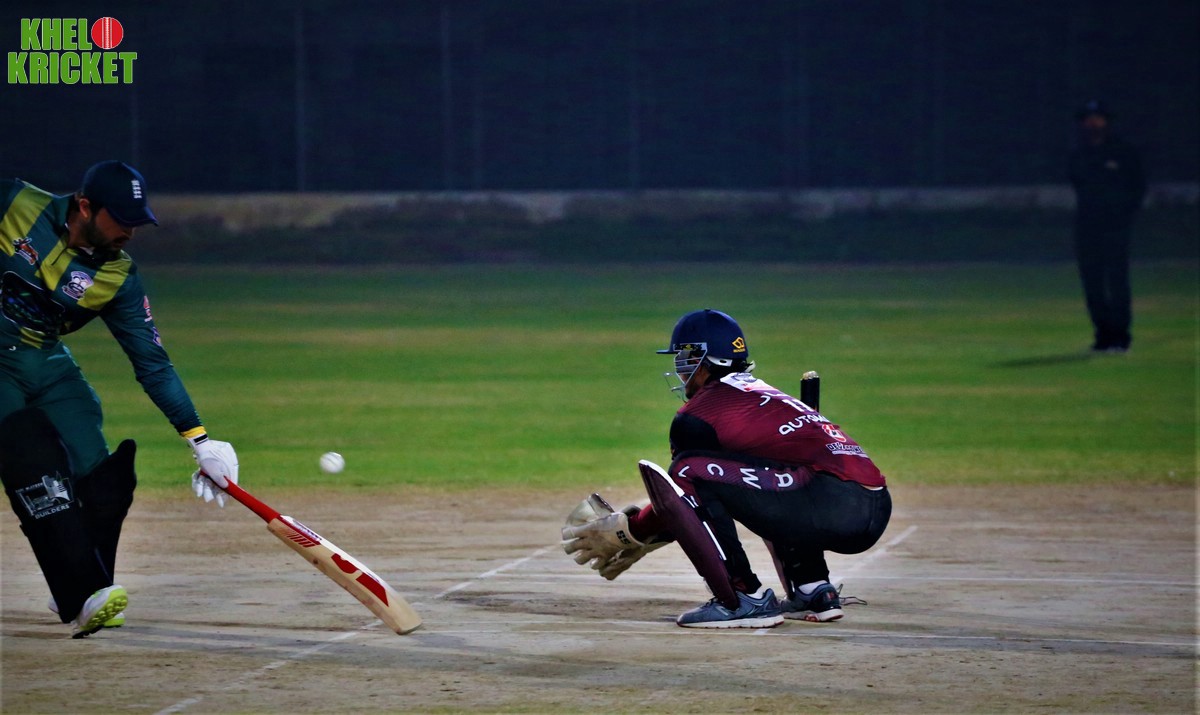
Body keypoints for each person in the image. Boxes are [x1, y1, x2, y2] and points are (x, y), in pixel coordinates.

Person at [0, 160, 239, 638]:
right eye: (122, 220)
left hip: (45, 362)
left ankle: (84, 581)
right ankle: (81, 592)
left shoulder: (117, 276)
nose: (130, 232)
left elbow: (153, 363)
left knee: (106, 478)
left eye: (137, 222)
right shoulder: (15, 203)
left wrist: (200, 440)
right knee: (33, 458)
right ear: (86, 206)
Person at [562, 309, 892, 628]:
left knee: (687, 470)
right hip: (872, 504)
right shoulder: (761, 393)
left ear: (701, 360)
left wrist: (630, 530)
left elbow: (683, 500)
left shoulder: (699, 414)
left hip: (831, 504)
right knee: (777, 475)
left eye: (682, 359)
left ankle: (741, 597)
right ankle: (813, 589)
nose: (680, 371)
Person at [1068, 99, 1147, 353]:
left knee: (1117, 281)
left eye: (1098, 118)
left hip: (1115, 226)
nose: (1093, 123)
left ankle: (1120, 337)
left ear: (1106, 122)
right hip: (1087, 226)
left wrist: (1123, 213)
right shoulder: (1079, 153)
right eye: (1088, 119)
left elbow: (1137, 186)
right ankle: (1102, 336)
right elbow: (1077, 184)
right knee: (1092, 283)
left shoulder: (1123, 151)